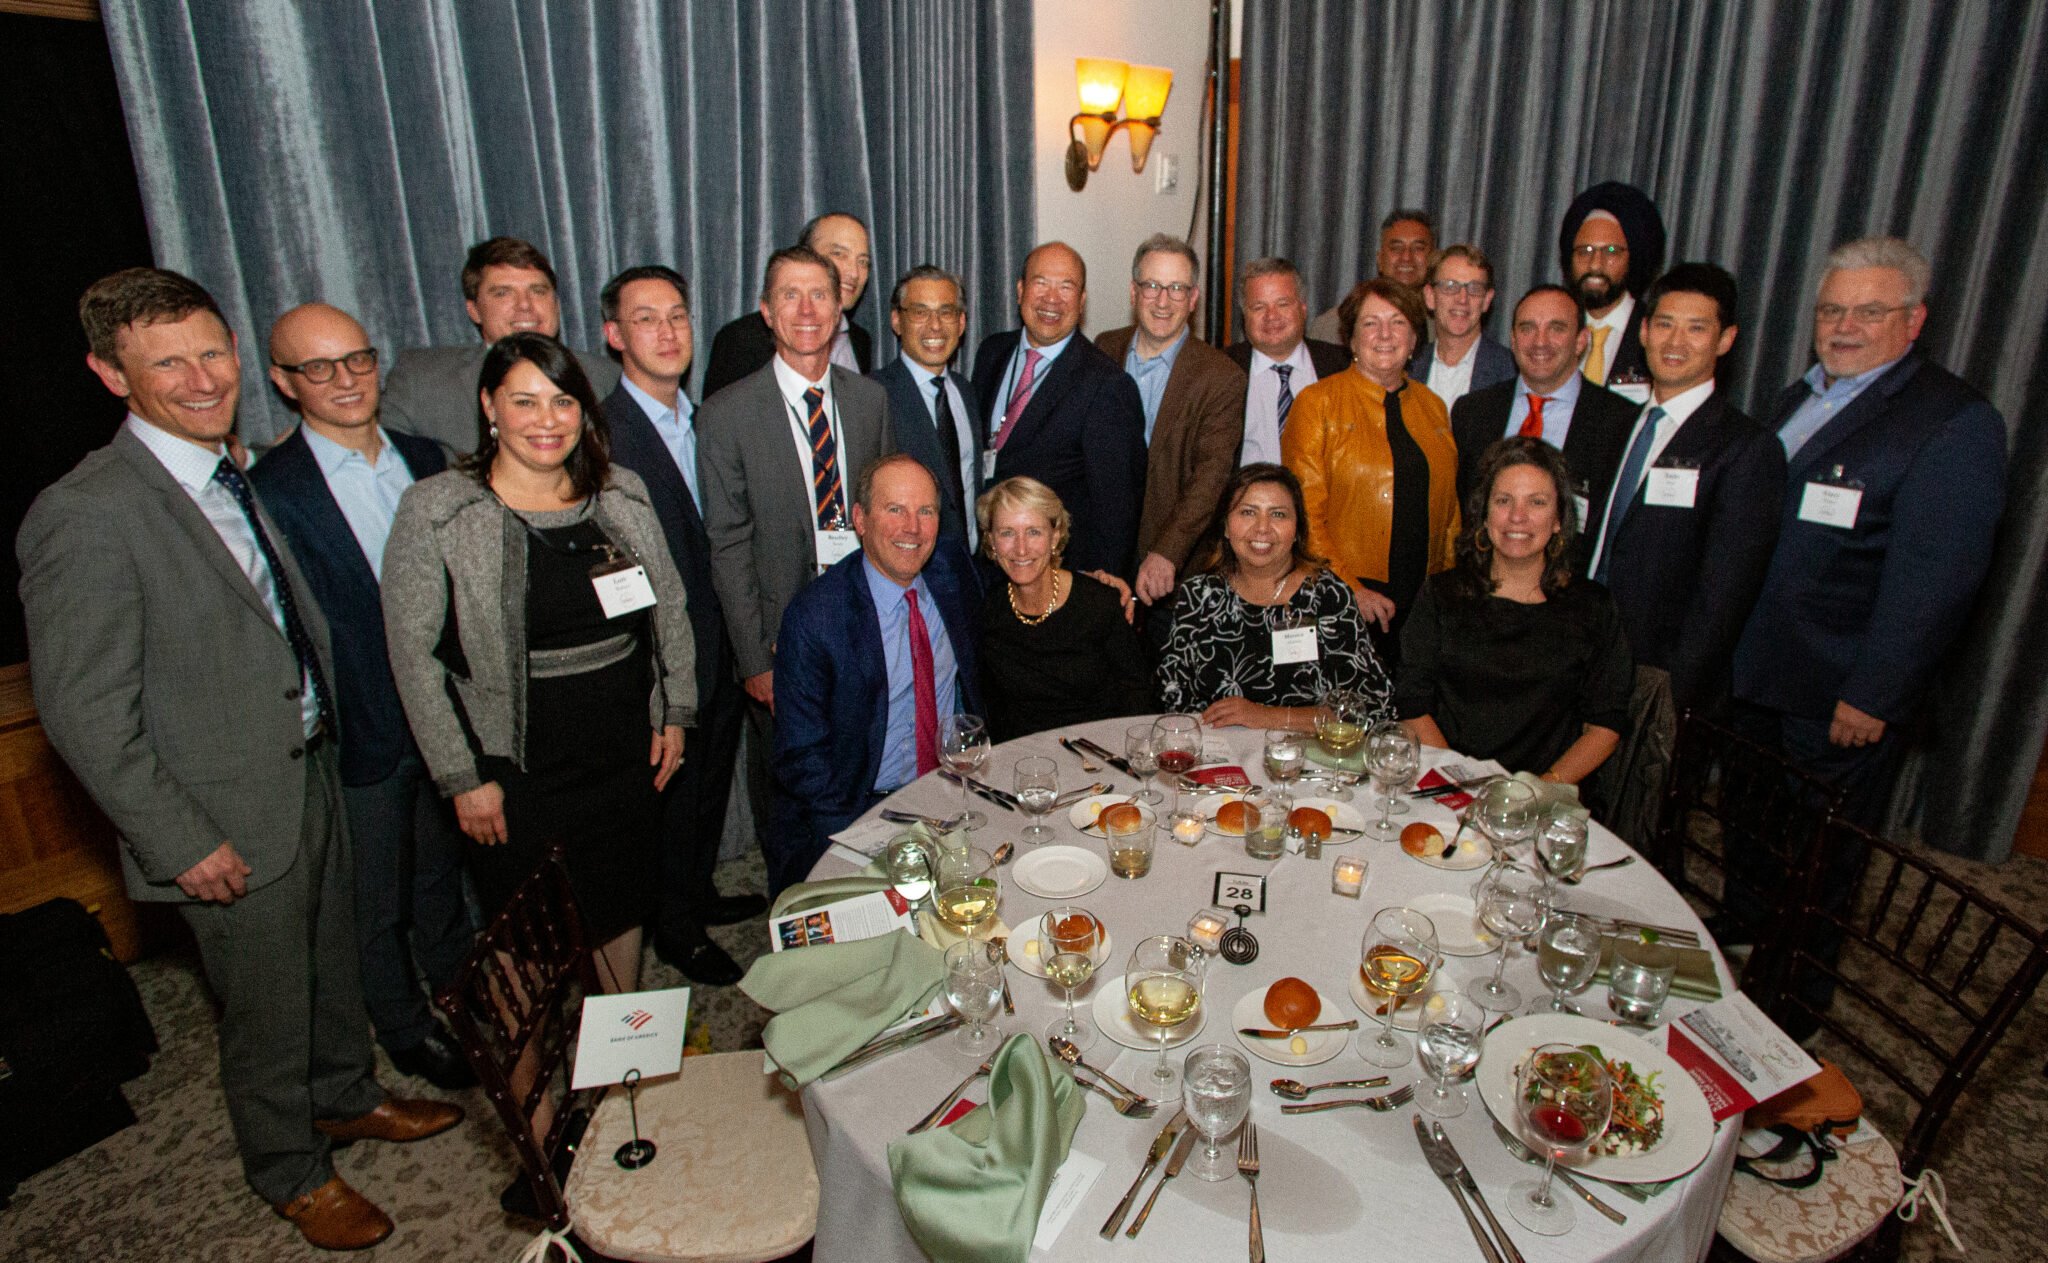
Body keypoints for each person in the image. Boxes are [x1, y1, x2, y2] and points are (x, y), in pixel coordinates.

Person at [20, 269, 459, 1250]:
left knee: (329, 966)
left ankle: (346, 1095)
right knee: (263, 1009)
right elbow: (84, 712)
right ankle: (288, 1168)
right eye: (167, 364)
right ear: (111, 375)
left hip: (310, 767)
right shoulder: (87, 512)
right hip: (218, 813)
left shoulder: (235, 473)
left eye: (212, 352)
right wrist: (179, 840)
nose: (203, 378)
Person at [383, 333, 697, 995]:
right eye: (524, 401)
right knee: (525, 942)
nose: (546, 419)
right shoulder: (440, 509)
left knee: (618, 911)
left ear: (583, 410)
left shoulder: (622, 492)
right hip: (512, 773)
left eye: (562, 401)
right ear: (489, 406)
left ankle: (615, 1057)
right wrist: (462, 777)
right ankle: (535, 1072)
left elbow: (669, 605)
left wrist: (675, 709)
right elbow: (414, 659)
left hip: (623, 756)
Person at [246, 303, 475, 1091]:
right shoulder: (269, 489)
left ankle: (461, 986)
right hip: (363, 727)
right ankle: (404, 1025)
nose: (345, 380)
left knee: (442, 872)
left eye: (357, 360)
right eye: (319, 367)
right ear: (284, 381)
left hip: (446, 713)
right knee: (373, 897)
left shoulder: (427, 457)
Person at [1732, 237, 2007, 825]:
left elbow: (1936, 581)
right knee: (1748, 830)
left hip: (1836, 697)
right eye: (1832, 310)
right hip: (1755, 675)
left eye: (1869, 312)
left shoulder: (1953, 422)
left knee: (1819, 852)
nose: (1844, 326)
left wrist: (1873, 694)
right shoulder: (1798, 397)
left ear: (1914, 321)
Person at [598, 265, 764, 986]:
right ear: (614, 335)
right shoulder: (602, 434)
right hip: (659, 660)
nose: (667, 332)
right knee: (668, 798)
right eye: (646, 318)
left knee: (708, 783)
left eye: (677, 316)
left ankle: (696, 893)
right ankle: (675, 930)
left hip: (721, 641)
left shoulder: (705, 418)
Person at [697, 244, 894, 849]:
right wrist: (755, 659)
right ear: (766, 310)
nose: (807, 310)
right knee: (788, 792)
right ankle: (790, 892)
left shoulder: (869, 401)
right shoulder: (726, 414)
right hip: (778, 636)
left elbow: (883, 518)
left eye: (820, 295)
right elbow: (728, 543)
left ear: (839, 310)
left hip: (861, 618)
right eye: (790, 294)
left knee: (867, 769)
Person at [771, 455, 981, 891]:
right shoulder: (816, 617)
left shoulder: (952, 571)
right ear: (861, 519)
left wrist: (1095, 584)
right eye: (895, 509)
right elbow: (803, 760)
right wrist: (864, 845)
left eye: (926, 511)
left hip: (951, 793)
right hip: (858, 809)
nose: (912, 528)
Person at [1582, 264, 1785, 714]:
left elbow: (1724, 597)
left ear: (1725, 340)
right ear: (1644, 332)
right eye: (1665, 325)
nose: (1675, 342)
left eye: (1696, 328)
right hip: (1581, 655)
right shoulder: (1613, 424)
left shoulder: (1746, 448)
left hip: (1658, 681)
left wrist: (1670, 695)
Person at [1397, 437, 1634, 787]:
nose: (1517, 517)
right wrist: (1460, 786)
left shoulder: (1593, 607)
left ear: (1559, 519)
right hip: (1444, 785)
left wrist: (1535, 792)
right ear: (1484, 513)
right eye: (1503, 500)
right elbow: (1412, 705)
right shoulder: (1441, 594)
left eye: (1537, 502)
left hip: (1545, 795)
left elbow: (1605, 726)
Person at [1281, 277, 1460, 657]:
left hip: (1423, 602)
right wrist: (1351, 590)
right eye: (1370, 323)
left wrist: (1449, 591)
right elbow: (1304, 514)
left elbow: (1451, 514)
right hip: (1345, 600)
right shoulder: (1316, 404)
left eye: (1398, 322)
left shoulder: (1434, 408)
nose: (1385, 334)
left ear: (1414, 338)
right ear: (1350, 338)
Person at [1157, 464, 1393, 731]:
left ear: (1297, 530)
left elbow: (1372, 705)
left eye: (1278, 514)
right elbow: (1173, 696)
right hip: (1220, 748)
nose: (1262, 528)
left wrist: (1266, 716)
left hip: (1309, 751)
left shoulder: (1327, 595)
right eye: (1248, 512)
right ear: (1226, 526)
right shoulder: (1198, 596)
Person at [1095, 234, 1247, 631]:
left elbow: (1211, 478)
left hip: (1171, 576)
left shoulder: (1221, 377)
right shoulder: (1102, 350)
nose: (1163, 301)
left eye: (1177, 288)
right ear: (1134, 292)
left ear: (1193, 298)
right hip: (1100, 562)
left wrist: (1167, 552)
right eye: (1152, 286)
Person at [969, 241, 1147, 578]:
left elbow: (1116, 511)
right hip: (983, 566)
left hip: (1055, 576)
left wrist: (1097, 590)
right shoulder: (991, 352)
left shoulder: (1107, 385)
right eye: (1041, 283)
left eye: (1067, 287)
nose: (1052, 299)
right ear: (1020, 290)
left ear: (1081, 301)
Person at [380, 236, 620, 452]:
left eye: (538, 291)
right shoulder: (420, 380)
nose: (525, 305)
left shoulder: (607, 378)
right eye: (503, 293)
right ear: (474, 310)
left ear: (556, 305)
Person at [1450, 284, 1637, 560]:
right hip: (1481, 578)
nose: (1540, 341)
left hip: (1572, 580)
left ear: (1581, 340)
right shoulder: (1472, 412)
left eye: (1556, 328)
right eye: (1528, 328)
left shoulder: (1621, 422)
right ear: (1513, 339)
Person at [976, 476, 1151, 743]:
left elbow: (1138, 695)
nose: (1021, 548)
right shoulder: (989, 611)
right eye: (1007, 533)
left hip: (1100, 752)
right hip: (1022, 758)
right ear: (991, 541)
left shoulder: (1098, 604)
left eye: (1033, 532)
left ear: (1055, 536)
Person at [702, 212, 875, 397]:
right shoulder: (742, 341)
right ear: (805, 256)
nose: (854, 273)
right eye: (839, 254)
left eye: (863, 262)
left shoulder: (860, 341)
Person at [871, 264, 984, 546]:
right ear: (897, 321)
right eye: (920, 312)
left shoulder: (966, 391)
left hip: (973, 563)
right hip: (909, 560)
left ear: (961, 322)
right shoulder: (874, 395)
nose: (935, 325)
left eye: (946, 312)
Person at [1225, 256, 1349, 466]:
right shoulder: (1221, 370)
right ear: (1244, 315)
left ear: (1303, 308)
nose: (1271, 316)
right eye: (1258, 307)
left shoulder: (1342, 366)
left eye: (1282, 304)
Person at [1558, 182, 1667, 400]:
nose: (1595, 265)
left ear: (1633, 259)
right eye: (1585, 251)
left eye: (1610, 251)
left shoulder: (1657, 333)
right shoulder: (1552, 328)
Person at [1406, 244, 1515, 411]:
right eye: (1450, 286)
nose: (1462, 299)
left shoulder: (1510, 371)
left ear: (1487, 300)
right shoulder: (1408, 368)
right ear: (1430, 296)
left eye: (1474, 288)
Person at [1307, 208, 1436, 342]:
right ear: (1379, 260)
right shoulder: (1331, 326)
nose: (1406, 257)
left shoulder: (1443, 326)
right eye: (1396, 248)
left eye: (1418, 248)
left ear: (1433, 259)